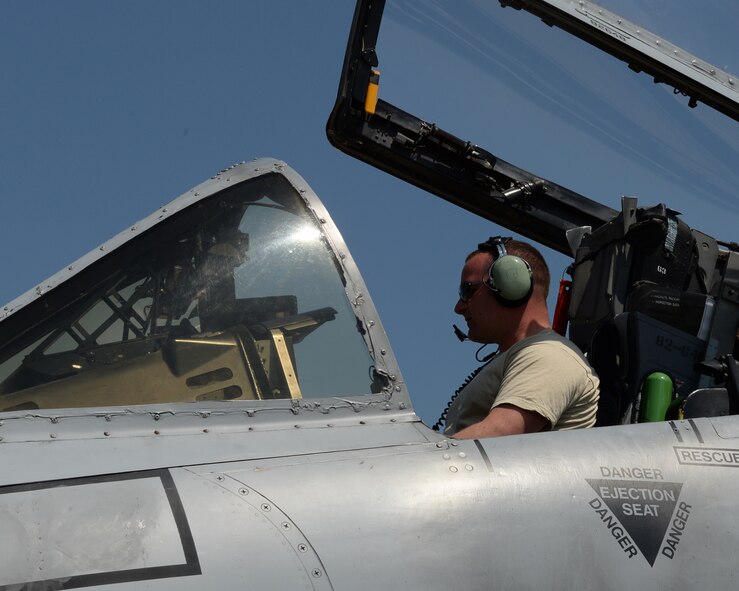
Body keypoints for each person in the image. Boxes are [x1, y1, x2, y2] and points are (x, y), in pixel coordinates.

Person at [443, 236, 599, 439]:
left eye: (467, 291)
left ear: (511, 285)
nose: (459, 307)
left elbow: (497, 436)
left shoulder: (550, 355)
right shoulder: (525, 355)